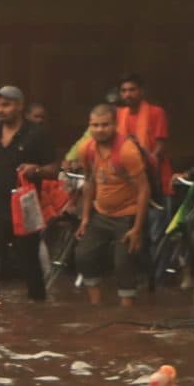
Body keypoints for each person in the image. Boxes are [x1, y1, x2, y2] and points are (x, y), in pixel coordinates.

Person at [0, 84, 57, 301]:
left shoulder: (37, 133)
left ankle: (38, 310)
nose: (0, 110)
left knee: (29, 262)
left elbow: (54, 170)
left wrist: (37, 169)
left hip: (24, 206)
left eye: (6, 105)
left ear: (19, 106)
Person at [66, 102, 151, 306]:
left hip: (127, 214)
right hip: (100, 213)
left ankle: (126, 314)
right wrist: (85, 217)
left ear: (114, 125)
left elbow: (144, 189)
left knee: (123, 263)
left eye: (105, 125)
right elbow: (89, 181)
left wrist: (138, 228)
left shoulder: (127, 151)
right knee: (83, 256)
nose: (99, 130)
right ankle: (96, 307)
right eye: (95, 125)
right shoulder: (87, 149)